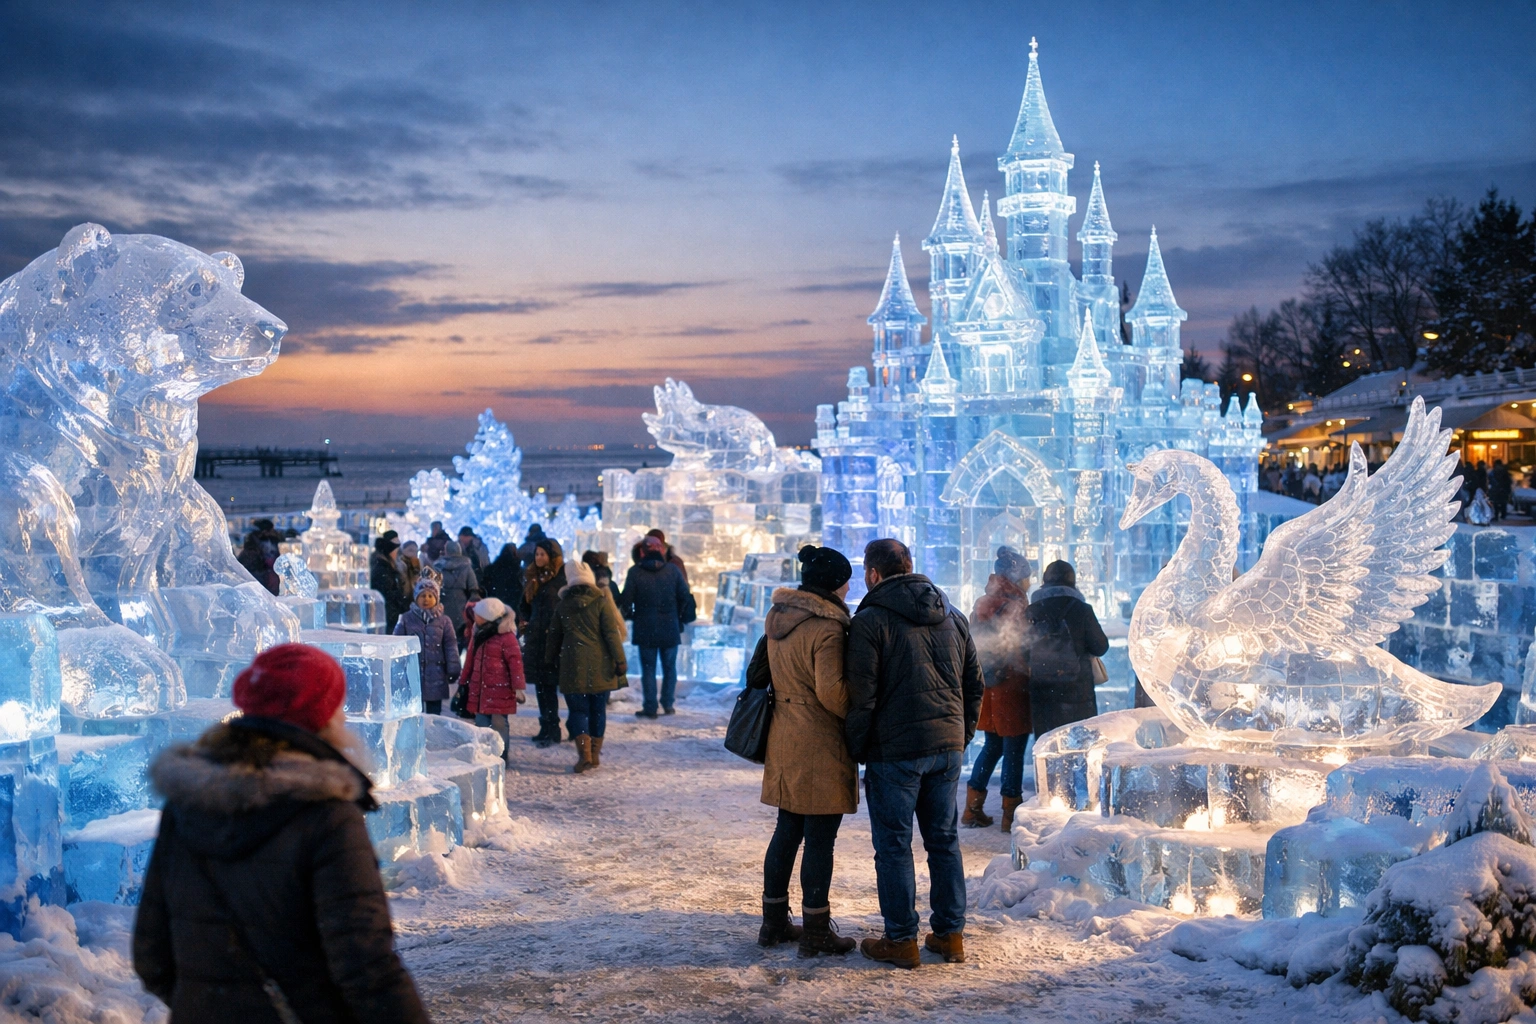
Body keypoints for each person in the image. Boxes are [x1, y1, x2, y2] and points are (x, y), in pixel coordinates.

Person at [133, 644, 429, 1023]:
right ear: (323, 716)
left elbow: (151, 955)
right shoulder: (327, 816)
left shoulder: (187, 806)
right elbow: (366, 964)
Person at [844, 538, 982, 970]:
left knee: (894, 847)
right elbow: (974, 684)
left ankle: (901, 940)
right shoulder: (952, 615)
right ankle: (950, 935)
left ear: (873, 574)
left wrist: (856, 748)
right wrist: (961, 735)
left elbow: (862, 697)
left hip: (895, 751)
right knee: (944, 842)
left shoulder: (870, 620)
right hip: (946, 747)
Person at [756, 545, 858, 958]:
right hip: (818, 740)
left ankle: (773, 922)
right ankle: (816, 928)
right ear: (835, 584)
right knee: (820, 839)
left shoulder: (778, 618)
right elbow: (832, 693)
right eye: (846, 581)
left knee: (787, 831)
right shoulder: (827, 629)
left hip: (784, 735)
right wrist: (861, 712)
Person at [964, 547, 1033, 833]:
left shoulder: (983, 602)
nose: (1030, 582)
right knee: (1014, 747)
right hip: (1011, 685)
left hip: (987, 685)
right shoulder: (1017, 604)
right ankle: (1010, 814)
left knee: (992, 745)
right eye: (1028, 576)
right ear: (1016, 576)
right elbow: (1021, 644)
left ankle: (972, 809)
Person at [546, 559, 628, 773]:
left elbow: (554, 636)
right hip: (601, 666)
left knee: (578, 711)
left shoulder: (563, 606)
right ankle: (595, 754)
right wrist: (620, 660)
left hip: (573, 666)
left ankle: (585, 755)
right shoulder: (601, 602)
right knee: (598, 711)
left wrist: (549, 660)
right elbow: (611, 634)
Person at [1024, 560, 1110, 738]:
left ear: (1044, 580)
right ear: (1072, 581)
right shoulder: (1082, 609)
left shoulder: (1031, 611)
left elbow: (1021, 649)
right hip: (1077, 691)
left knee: (1047, 747)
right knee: (1078, 746)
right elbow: (1100, 646)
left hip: (1043, 692)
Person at [619, 535, 695, 718]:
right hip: (670, 626)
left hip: (645, 628)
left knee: (648, 669)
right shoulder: (673, 571)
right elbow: (685, 596)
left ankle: (650, 707)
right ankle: (668, 704)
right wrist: (678, 616)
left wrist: (631, 615)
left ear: (643, 552)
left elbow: (626, 600)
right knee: (669, 668)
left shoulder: (635, 572)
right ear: (661, 550)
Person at [459, 596, 526, 762]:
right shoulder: (478, 633)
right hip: (480, 690)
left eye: (478, 615)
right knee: (481, 725)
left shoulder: (506, 637)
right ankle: (484, 757)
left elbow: (515, 664)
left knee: (499, 725)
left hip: (501, 690)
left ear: (488, 617)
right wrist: (464, 681)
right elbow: (470, 660)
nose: (474, 617)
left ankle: (501, 757)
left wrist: (518, 688)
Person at [520, 537, 566, 746]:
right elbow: (526, 606)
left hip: (551, 639)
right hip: (536, 638)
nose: (538, 558)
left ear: (552, 557)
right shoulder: (534, 577)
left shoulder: (559, 579)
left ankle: (553, 728)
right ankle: (545, 726)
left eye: (542, 554)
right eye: (537, 554)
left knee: (549, 685)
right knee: (540, 686)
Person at [395, 577, 460, 715]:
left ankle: (432, 736)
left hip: (436, 674)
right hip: (412, 674)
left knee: (434, 714)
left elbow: (450, 645)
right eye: (423, 595)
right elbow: (396, 644)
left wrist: (453, 667)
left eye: (431, 595)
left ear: (436, 598)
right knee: (413, 713)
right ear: (416, 598)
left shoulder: (444, 621)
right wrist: (397, 667)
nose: (426, 599)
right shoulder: (406, 619)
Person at [434, 540, 481, 650]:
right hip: (461, 605)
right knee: (459, 636)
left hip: (442, 602)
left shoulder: (438, 567)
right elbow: (473, 587)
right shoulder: (467, 567)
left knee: (442, 634)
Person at [370, 533, 408, 634]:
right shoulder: (383, 570)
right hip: (387, 617)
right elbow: (387, 594)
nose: (397, 554)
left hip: (388, 616)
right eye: (395, 551)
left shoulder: (387, 567)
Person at [237, 518, 283, 595]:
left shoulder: (272, 540)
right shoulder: (254, 544)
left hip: (268, 575)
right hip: (259, 576)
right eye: (269, 530)